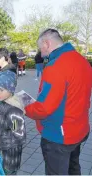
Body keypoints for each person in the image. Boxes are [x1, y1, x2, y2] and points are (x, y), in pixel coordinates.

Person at [25, 28, 92, 175]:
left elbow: (43, 109)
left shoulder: (55, 66)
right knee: (74, 169)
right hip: (79, 129)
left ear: (47, 43)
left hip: (59, 136)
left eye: (40, 48)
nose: (40, 53)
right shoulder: (82, 61)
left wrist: (25, 108)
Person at [0, 70, 25, 175]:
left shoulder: (14, 111)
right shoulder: (4, 103)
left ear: (10, 89)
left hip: (10, 157)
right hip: (2, 153)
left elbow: (18, 135)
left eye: (1, 89)